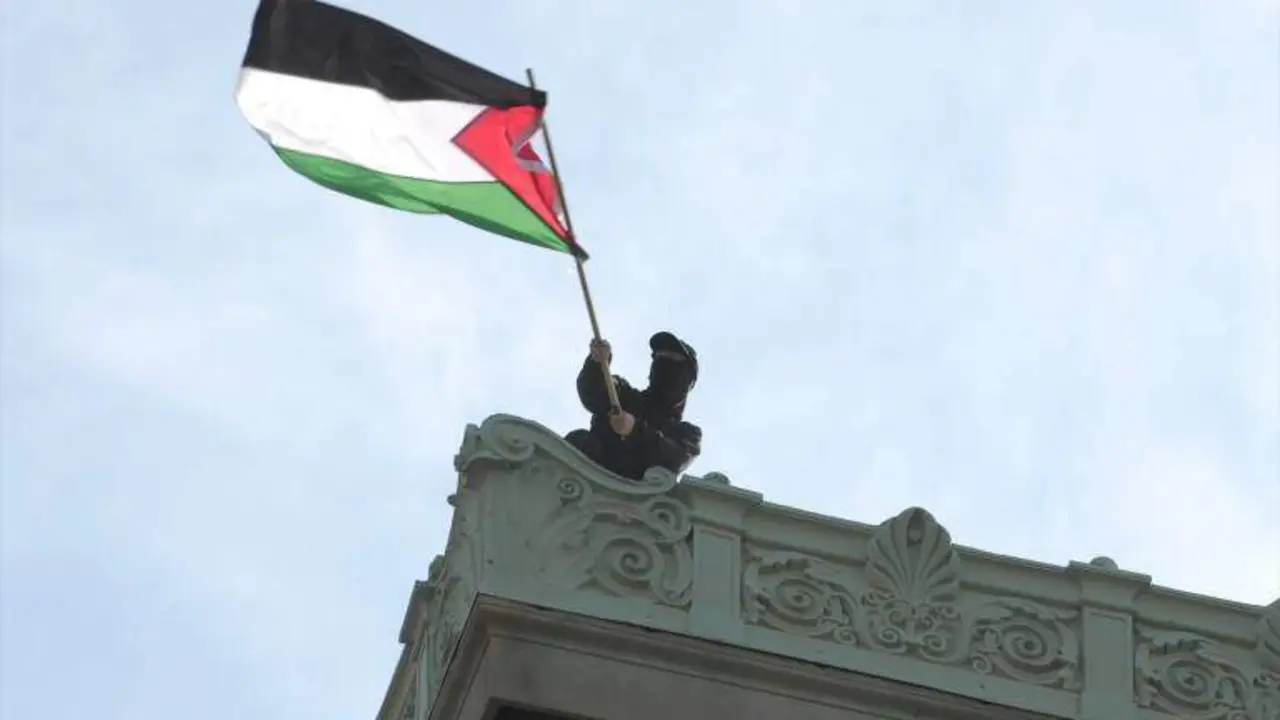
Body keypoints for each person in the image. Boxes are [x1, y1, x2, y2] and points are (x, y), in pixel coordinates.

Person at [566, 331, 702, 480]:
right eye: (659, 358)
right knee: (578, 440)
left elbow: (674, 459)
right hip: (586, 478)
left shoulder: (687, 434)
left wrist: (635, 429)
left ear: (689, 380)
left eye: (673, 360)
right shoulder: (624, 396)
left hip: (630, 498)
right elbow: (595, 391)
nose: (663, 364)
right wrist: (597, 365)